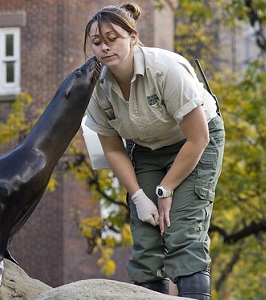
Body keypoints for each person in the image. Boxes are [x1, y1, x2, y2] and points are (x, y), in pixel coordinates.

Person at [82, 3, 225, 300]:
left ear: (133, 38)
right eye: (97, 42)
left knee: (182, 231)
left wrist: (165, 190)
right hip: (145, 148)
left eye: (113, 39)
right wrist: (139, 196)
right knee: (146, 237)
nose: (105, 48)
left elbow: (198, 138)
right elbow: (113, 150)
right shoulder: (98, 87)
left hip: (195, 143)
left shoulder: (165, 70)